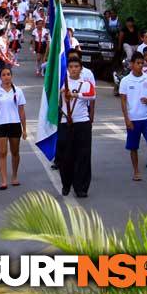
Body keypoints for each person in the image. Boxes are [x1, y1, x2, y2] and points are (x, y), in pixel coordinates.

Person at [119, 52, 147, 182]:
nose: (140, 65)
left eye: (142, 63)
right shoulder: (125, 81)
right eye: (137, 63)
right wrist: (127, 119)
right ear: (131, 64)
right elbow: (123, 101)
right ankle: (136, 171)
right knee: (133, 147)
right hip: (133, 118)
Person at [57, 57, 96, 198]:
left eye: (76, 66)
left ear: (81, 68)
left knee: (83, 156)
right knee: (65, 156)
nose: (74, 69)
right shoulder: (62, 82)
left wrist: (75, 94)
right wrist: (62, 93)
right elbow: (51, 95)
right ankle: (66, 184)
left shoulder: (85, 83)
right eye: (71, 66)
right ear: (67, 68)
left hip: (82, 123)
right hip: (65, 122)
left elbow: (92, 95)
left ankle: (81, 187)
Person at [0, 67, 27, 190]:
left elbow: (21, 111)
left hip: (15, 124)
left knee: (15, 152)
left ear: (11, 76)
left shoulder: (18, 91)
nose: (6, 77)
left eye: (8, 74)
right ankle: (4, 180)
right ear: (0, 77)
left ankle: (14, 176)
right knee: (2, 153)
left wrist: (24, 129)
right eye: (4, 75)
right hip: (0, 125)